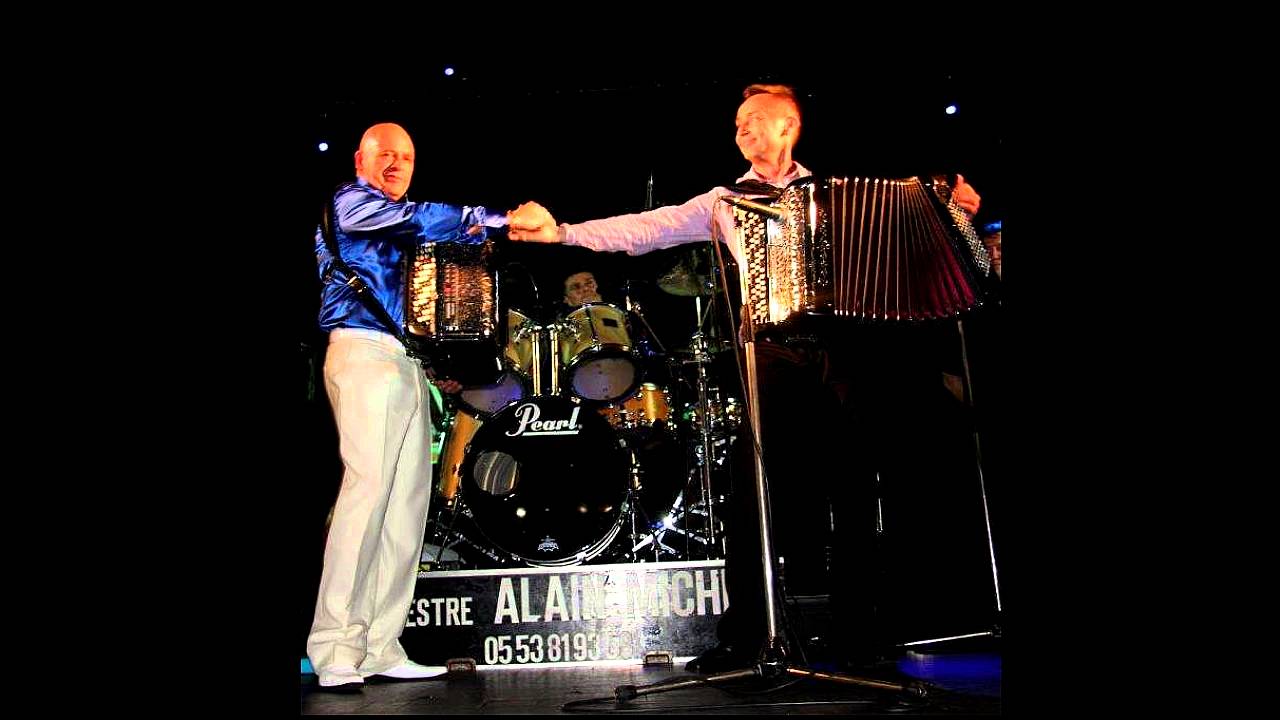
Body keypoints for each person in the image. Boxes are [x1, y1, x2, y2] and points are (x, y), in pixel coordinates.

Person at [508, 84, 987, 674]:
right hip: (771, 354)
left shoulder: (842, 196)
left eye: (754, 118)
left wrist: (956, 214)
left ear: (789, 126)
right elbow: (647, 228)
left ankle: (859, 634)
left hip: (845, 352)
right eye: (737, 122)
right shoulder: (726, 201)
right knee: (754, 493)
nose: (740, 129)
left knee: (855, 493)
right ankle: (746, 636)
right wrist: (564, 232)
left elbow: (923, 250)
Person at [309, 122, 508, 691]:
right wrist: (490, 217)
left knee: (406, 506)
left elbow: (430, 277)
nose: (396, 164)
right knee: (368, 494)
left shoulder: (397, 223)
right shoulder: (351, 204)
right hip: (362, 352)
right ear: (360, 159)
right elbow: (421, 219)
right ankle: (335, 646)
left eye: (406, 157)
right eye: (385, 155)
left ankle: (380, 644)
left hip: (404, 360)